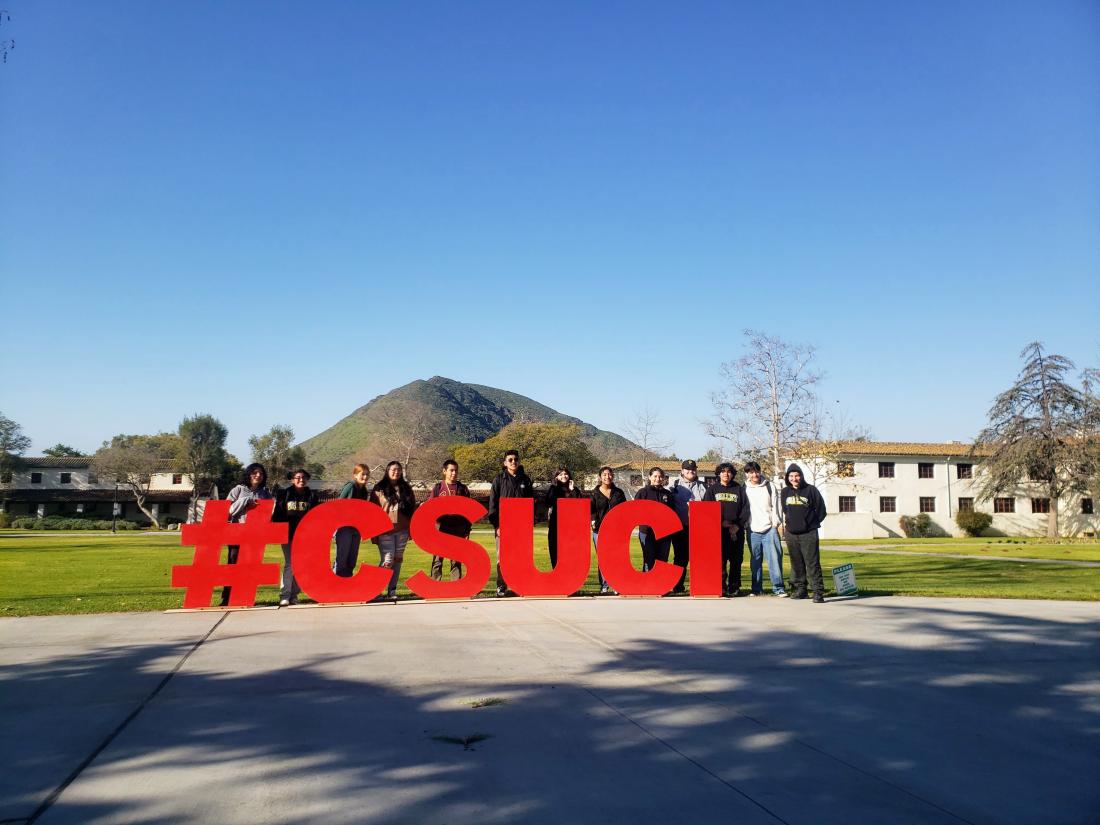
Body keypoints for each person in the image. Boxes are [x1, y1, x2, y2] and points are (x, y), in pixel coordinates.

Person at [220, 463, 273, 606]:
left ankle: (245, 596)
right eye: (254, 473)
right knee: (233, 564)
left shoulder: (265, 493)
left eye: (261, 474)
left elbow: (270, 512)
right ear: (248, 474)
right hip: (237, 533)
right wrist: (244, 501)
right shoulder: (238, 490)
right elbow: (228, 510)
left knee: (250, 566)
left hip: (255, 535)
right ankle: (227, 597)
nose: (258, 476)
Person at [486, 449, 535, 596]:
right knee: (502, 557)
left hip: (521, 526)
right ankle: (501, 586)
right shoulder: (499, 479)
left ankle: (519, 585)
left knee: (521, 556)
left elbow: (531, 503)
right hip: (503, 526)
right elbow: (493, 504)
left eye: (516, 459)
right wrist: (497, 525)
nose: (514, 462)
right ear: (505, 462)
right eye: (510, 459)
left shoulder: (525, 480)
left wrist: (529, 523)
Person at [781, 463, 828, 603]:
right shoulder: (785, 492)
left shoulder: (811, 490)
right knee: (796, 564)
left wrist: (810, 524)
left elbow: (821, 510)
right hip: (791, 534)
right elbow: (785, 510)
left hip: (809, 533)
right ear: (787, 477)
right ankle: (800, 589)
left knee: (812, 563)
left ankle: (818, 592)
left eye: (797, 475)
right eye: (791, 476)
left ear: (801, 476)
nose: (794, 478)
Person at [272, 468, 319, 606]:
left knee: (301, 565)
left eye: (304, 477)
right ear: (292, 479)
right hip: (289, 534)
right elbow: (278, 514)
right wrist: (278, 531)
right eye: (298, 477)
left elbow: (316, 516)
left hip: (305, 536)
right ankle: (284, 595)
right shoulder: (285, 493)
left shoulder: (311, 495)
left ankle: (294, 595)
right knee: (290, 564)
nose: (301, 480)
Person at [371, 461, 417, 600]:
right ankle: (375, 590)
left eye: (399, 470)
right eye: (393, 469)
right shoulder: (379, 488)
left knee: (397, 560)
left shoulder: (406, 488)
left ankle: (392, 591)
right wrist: (374, 531)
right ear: (387, 470)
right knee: (387, 560)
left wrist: (411, 529)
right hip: (385, 530)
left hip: (402, 529)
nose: (396, 472)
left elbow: (412, 509)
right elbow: (372, 510)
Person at [703, 462, 749, 597]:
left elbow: (745, 510)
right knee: (720, 561)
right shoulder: (712, 490)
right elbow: (706, 510)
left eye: (729, 472)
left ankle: (734, 587)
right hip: (719, 531)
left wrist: (738, 525)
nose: (726, 474)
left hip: (736, 531)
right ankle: (721, 586)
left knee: (736, 561)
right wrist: (719, 523)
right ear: (719, 473)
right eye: (723, 471)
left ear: (733, 474)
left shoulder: (739, 489)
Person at [743, 461, 787, 597]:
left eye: (756, 471)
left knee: (774, 559)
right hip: (752, 530)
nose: (754, 474)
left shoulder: (770, 487)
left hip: (770, 529)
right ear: (747, 474)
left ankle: (778, 588)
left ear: (760, 472)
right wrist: (746, 524)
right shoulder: (744, 488)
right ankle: (756, 589)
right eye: (751, 472)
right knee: (755, 561)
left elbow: (776, 506)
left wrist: (775, 524)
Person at [427, 459, 473, 581]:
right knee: (437, 559)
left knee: (456, 560)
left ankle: (456, 585)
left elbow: (468, 513)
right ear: (444, 471)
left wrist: (467, 531)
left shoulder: (462, 489)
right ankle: (435, 586)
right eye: (451, 470)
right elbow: (429, 509)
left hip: (458, 529)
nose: (454, 473)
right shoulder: (438, 488)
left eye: (456, 470)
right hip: (441, 528)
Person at [668, 459, 708, 593]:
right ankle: (678, 586)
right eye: (687, 469)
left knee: (699, 558)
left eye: (693, 469)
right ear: (682, 471)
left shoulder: (704, 486)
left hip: (699, 529)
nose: (690, 471)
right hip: (680, 528)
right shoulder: (673, 486)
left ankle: (700, 586)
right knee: (680, 558)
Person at [633, 467, 678, 577]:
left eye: (660, 477)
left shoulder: (667, 494)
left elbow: (672, 513)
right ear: (649, 477)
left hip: (664, 533)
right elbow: (635, 511)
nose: (658, 479)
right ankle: (647, 585)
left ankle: (660, 585)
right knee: (648, 559)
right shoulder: (642, 493)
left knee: (662, 559)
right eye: (655, 476)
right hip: (646, 532)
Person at [590, 465, 626, 594]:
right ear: (600, 477)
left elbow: (624, 510)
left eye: (610, 474)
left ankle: (616, 584)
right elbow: (591, 510)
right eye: (604, 474)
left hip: (616, 530)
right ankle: (604, 585)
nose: (607, 476)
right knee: (603, 558)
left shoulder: (619, 493)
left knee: (616, 558)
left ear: (613, 476)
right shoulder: (594, 493)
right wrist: (593, 521)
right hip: (599, 530)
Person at [334, 463, 371, 578]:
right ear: (355, 475)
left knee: (351, 560)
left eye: (367, 475)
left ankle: (347, 586)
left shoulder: (364, 491)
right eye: (362, 474)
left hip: (356, 528)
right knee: (342, 559)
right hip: (345, 527)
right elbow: (339, 504)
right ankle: (337, 586)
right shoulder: (350, 486)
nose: (365, 477)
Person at [545, 467, 584, 568]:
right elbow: (547, 502)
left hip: (570, 525)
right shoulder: (553, 488)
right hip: (556, 523)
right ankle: (556, 573)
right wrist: (553, 487)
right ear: (556, 477)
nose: (563, 476)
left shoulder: (574, 489)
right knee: (554, 549)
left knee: (569, 551)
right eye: (561, 474)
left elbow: (580, 504)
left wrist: (573, 489)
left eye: (565, 474)